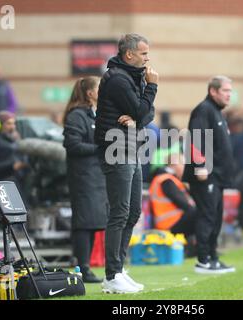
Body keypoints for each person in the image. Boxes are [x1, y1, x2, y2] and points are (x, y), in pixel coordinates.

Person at [95, 33, 158, 293]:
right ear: (129, 54)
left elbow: (146, 113)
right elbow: (144, 110)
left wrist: (136, 118)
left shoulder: (132, 77)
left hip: (131, 148)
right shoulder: (118, 79)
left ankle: (118, 269)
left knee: (133, 212)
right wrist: (152, 88)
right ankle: (111, 274)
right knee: (120, 213)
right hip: (116, 150)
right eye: (144, 54)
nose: (147, 58)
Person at [182, 75, 236, 274]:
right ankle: (203, 260)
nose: (229, 95)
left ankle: (212, 257)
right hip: (206, 175)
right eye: (225, 91)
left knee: (215, 217)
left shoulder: (217, 113)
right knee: (207, 216)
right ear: (213, 91)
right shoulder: (204, 110)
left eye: (231, 91)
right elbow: (196, 138)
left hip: (218, 176)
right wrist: (200, 165)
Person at [62, 76, 108, 283]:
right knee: (84, 223)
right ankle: (83, 268)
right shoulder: (76, 116)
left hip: (96, 177)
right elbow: (72, 145)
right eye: (100, 87)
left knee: (92, 223)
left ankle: (86, 267)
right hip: (83, 178)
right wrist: (100, 149)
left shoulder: (94, 114)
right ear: (90, 93)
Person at [149, 153, 197, 242]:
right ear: (174, 164)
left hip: (171, 223)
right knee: (200, 212)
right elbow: (185, 204)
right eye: (183, 164)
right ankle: (203, 249)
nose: (185, 167)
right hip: (168, 226)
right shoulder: (166, 180)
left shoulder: (167, 179)